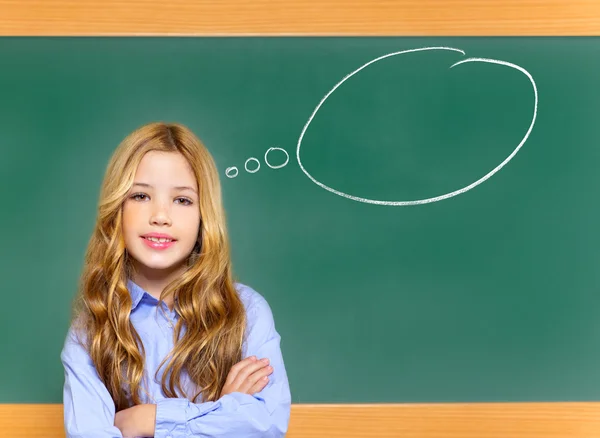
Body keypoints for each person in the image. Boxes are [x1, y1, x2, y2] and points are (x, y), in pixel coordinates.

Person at [60, 122, 291, 437]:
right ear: (117, 209)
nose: (160, 215)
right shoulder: (91, 331)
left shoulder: (247, 312)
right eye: (141, 195)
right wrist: (220, 413)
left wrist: (146, 420)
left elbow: (265, 425)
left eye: (182, 200)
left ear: (203, 215)